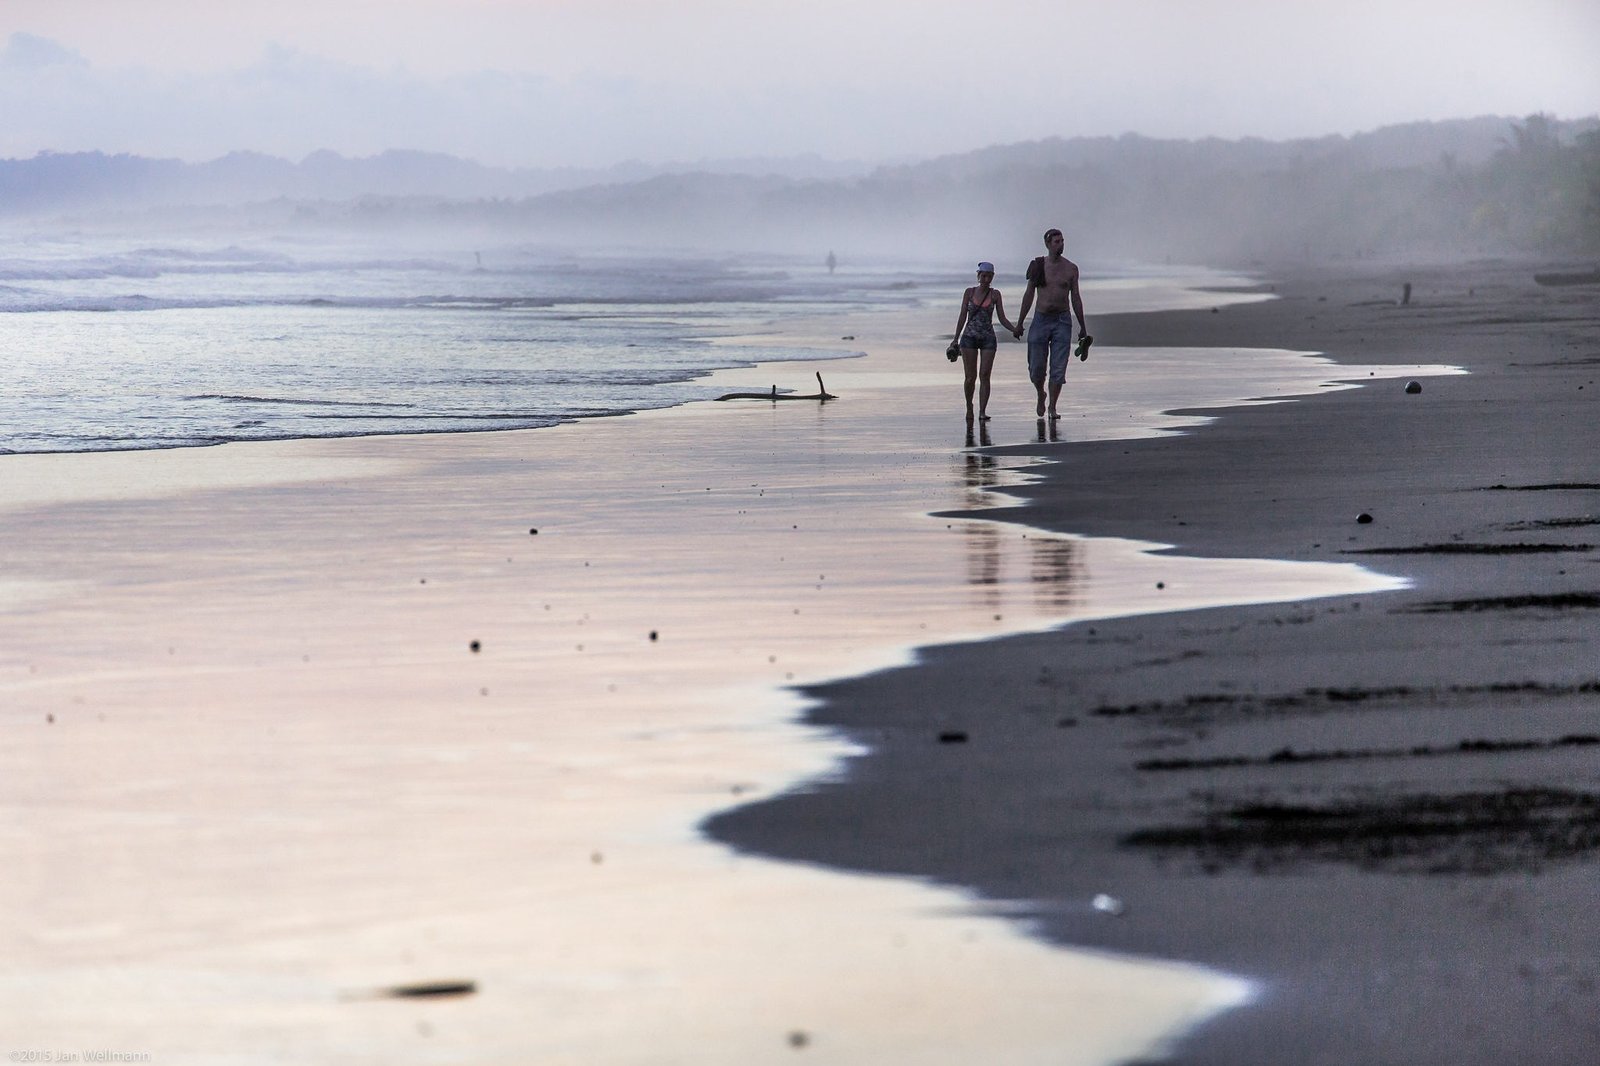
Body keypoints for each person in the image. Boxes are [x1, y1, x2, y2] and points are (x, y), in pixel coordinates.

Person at [1014, 228, 1089, 419]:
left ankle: (1053, 407)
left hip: (1062, 321)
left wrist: (1082, 326)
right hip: (1041, 319)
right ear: (1047, 244)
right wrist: (1020, 322)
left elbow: (1076, 298)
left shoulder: (1071, 269)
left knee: (1058, 367)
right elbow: (1029, 294)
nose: (1061, 244)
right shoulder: (1038, 265)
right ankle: (1041, 393)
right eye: (1056, 242)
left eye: (1062, 241)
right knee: (1036, 368)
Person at [949, 261, 1020, 423]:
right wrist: (955, 338)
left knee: (985, 375)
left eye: (989, 276)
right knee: (970, 377)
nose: (986, 279)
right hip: (969, 337)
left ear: (992, 277)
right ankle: (969, 407)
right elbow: (962, 316)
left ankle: (982, 411)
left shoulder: (995, 295)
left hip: (988, 337)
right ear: (978, 275)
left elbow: (1002, 318)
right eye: (983, 275)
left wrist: (1014, 329)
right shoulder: (969, 292)